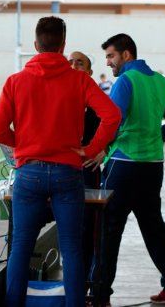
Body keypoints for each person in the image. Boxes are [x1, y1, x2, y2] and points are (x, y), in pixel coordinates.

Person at [0, 16, 121, 307]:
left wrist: (24, 145)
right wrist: (90, 148)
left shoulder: (15, 82)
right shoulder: (80, 80)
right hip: (68, 173)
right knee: (72, 248)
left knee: (21, 247)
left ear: (36, 45)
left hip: (28, 173)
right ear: (63, 46)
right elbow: (112, 115)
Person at [87, 33, 165, 306]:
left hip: (123, 166)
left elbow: (112, 121)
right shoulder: (161, 82)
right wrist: (160, 135)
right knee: (155, 228)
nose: (108, 62)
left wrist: (102, 149)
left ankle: (100, 296)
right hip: (152, 167)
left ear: (126, 55)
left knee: (108, 230)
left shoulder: (125, 81)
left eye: (111, 56)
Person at [67, 50, 102, 294]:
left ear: (89, 73)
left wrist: (101, 152)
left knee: (87, 229)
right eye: (70, 61)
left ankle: (87, 286)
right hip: (60, 172)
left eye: (79, 63)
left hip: (87, 172)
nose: (73, 65)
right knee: (67, 231)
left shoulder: (96, 100)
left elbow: (115, 124)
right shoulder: (57, 97)